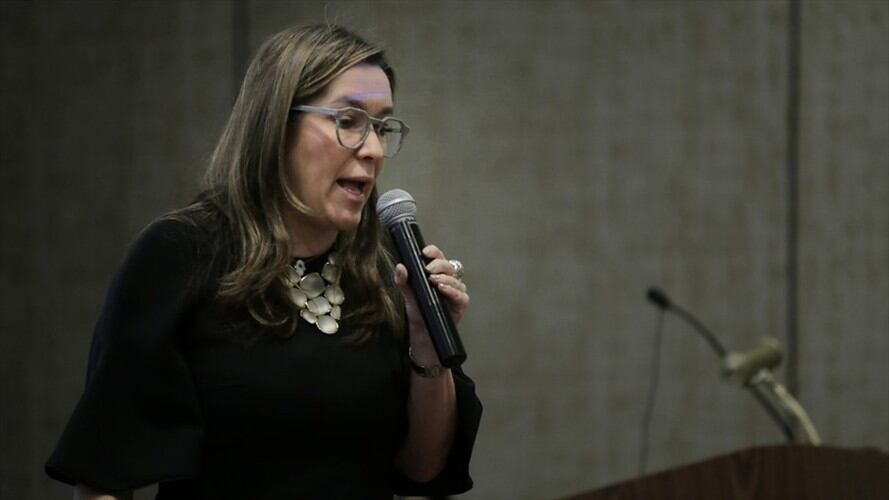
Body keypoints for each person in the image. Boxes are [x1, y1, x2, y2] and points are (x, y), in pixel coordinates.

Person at [45, 24, 482, 499]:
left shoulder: (382, 271)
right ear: (277, 125)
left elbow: (422, 467)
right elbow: (105, 471)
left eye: (381, 126)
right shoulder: (183, 253)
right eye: (349, 121)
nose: (374, 149)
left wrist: (425, 342)